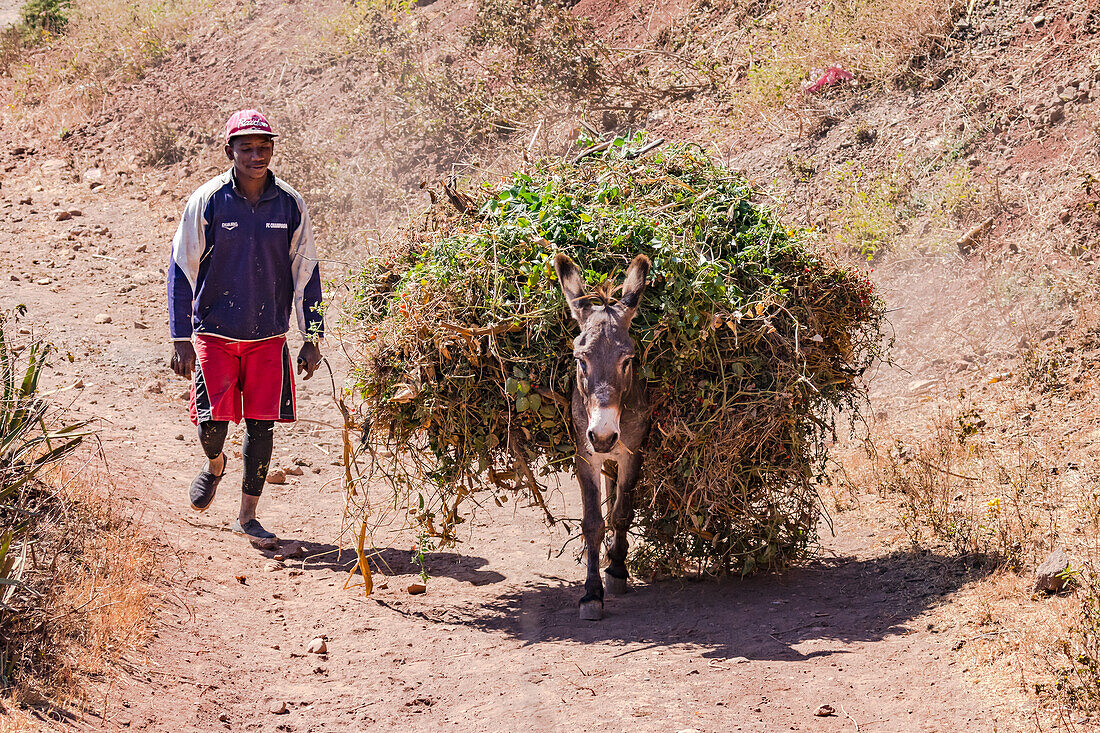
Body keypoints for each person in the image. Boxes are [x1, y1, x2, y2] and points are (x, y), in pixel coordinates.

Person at [167, 109, 323, 548]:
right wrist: (180, 337)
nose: (257, 155)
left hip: (268, 338)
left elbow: (305, 271)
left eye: (264, 146)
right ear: (229, 151)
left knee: (261, 426)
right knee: (214, 424)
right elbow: (182, 269)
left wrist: (313, 336)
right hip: (214, 334)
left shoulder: (290, 203)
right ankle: (214, 464)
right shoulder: (208, 200)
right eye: (247, 147)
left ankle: (248, 516)